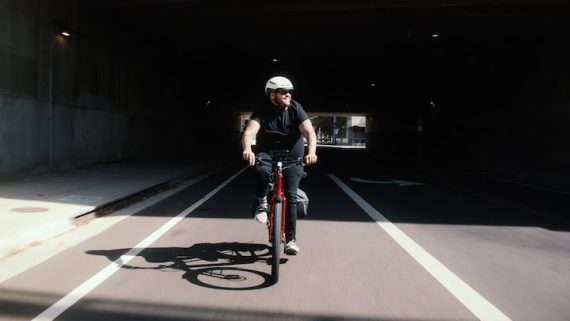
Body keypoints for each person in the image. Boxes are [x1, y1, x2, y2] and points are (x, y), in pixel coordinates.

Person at [241, 76, 318, 255]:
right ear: (272, 94)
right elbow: (249, 131)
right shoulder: (261, 110)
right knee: (261, 170)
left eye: (289, 91)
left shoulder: (295, 108)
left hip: (293, 156)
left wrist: (312, 152)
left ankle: (290, 239)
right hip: (267, 153)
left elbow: (309, 132)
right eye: (283, 92)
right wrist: (247, 149)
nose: (288, 95)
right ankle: (261, 201)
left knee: (291, 197)